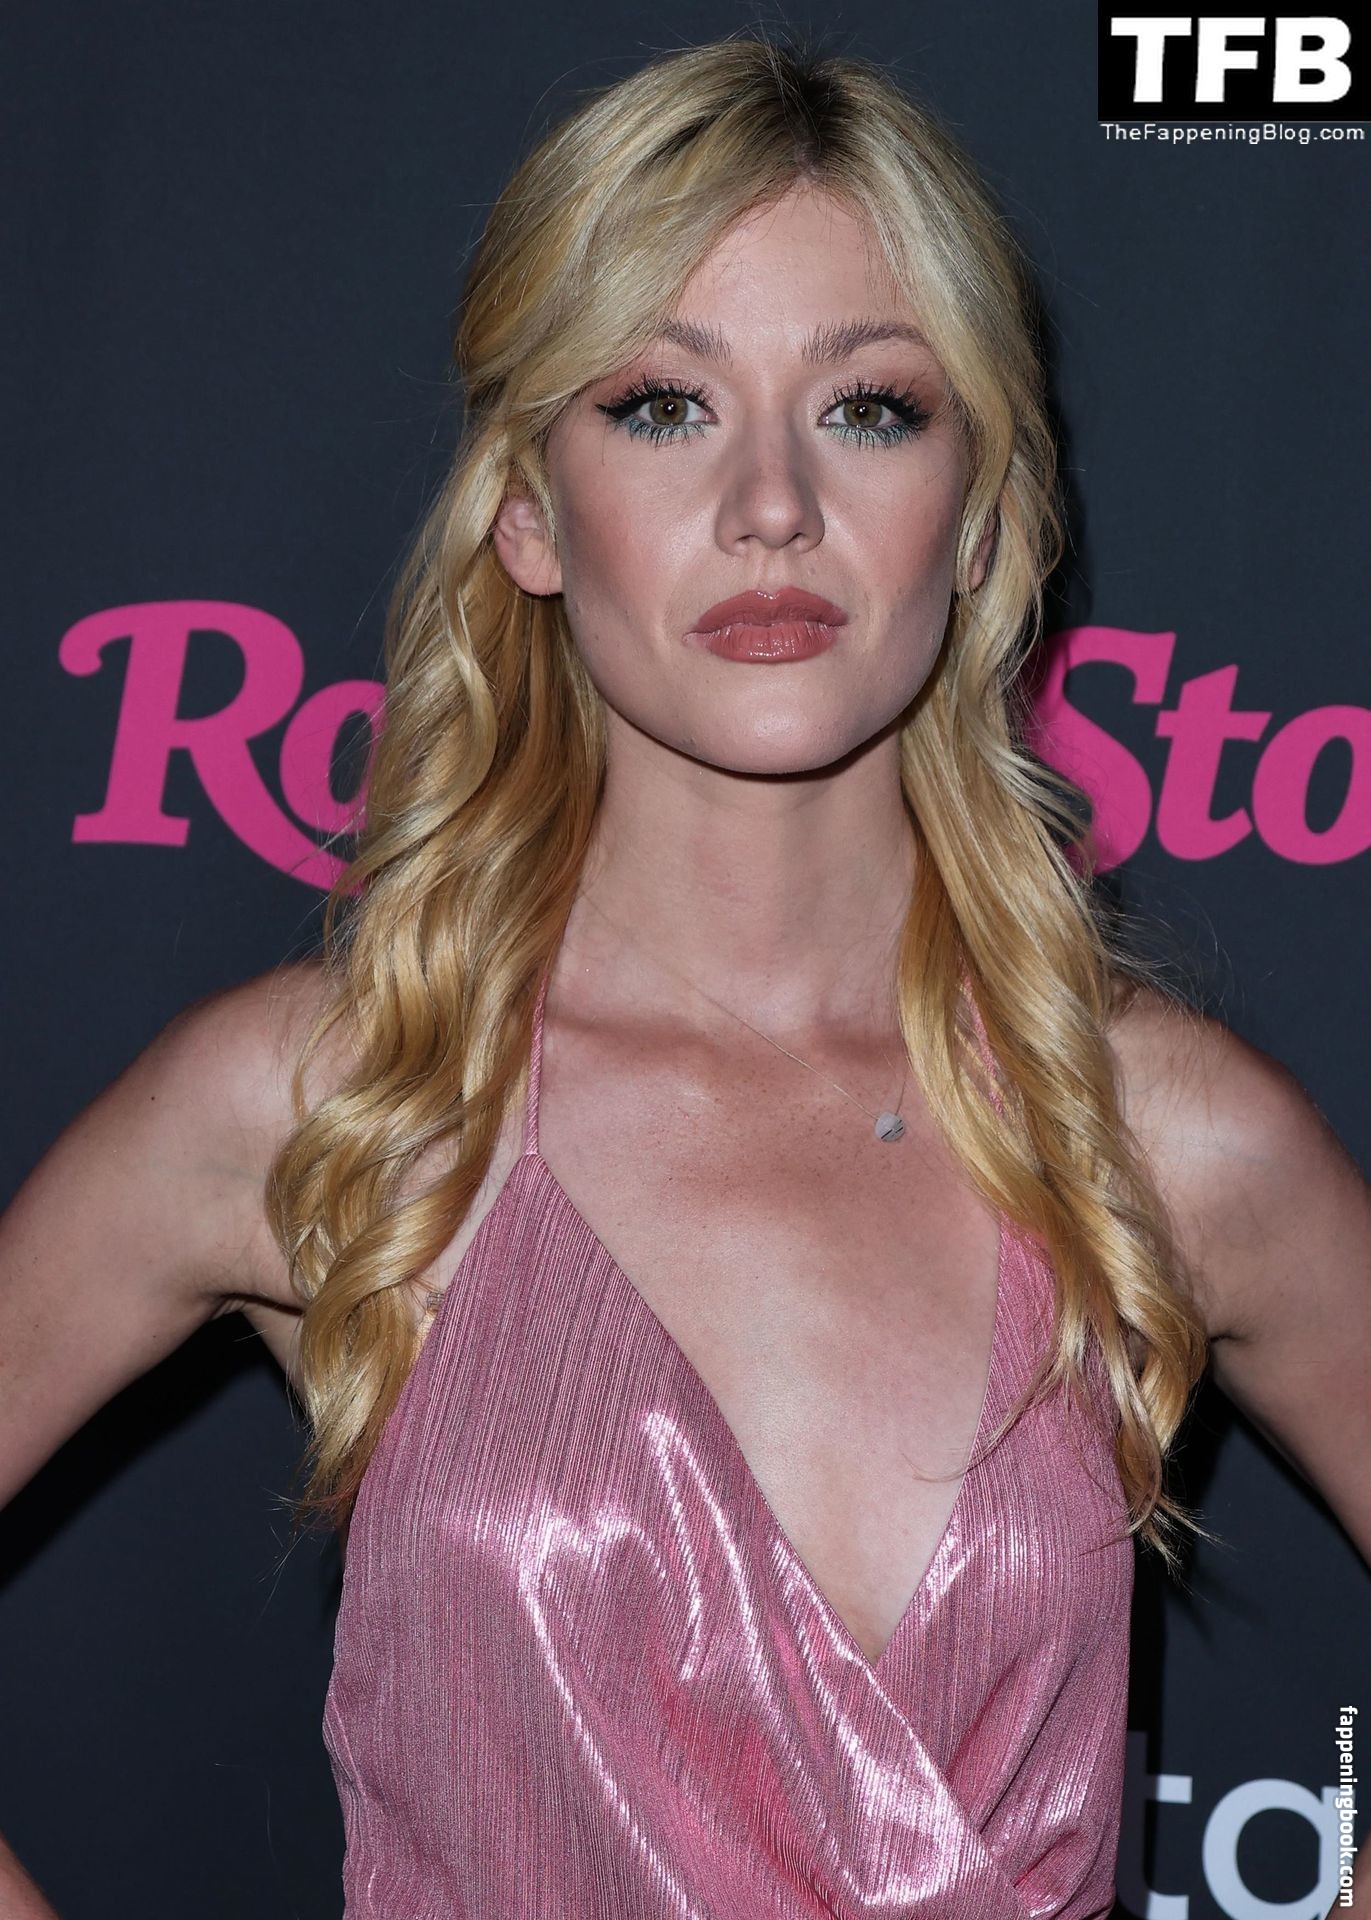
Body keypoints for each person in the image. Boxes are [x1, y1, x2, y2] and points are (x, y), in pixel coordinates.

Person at [2, 29, 1368, 1920]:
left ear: (979, 512)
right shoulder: (340, 1101)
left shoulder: (1161, 1139)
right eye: (663, 404)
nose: (773, 503)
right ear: (529, 512)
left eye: (870, 408)